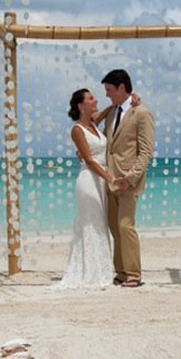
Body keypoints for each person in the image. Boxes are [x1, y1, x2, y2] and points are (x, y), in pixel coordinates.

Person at [101, 69, 155, 288]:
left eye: (110, 90)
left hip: (129, 180)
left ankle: (134, 274)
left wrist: (131, 177)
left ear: (122, 87)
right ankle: (121, 271)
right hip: (110, 178)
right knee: (114, 226)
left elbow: (145, 151)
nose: (107, 94)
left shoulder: (141, 113)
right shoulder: (112, 112)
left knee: (125, 226)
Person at [56, 88, 114, 288]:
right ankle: (91, 272)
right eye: (91, 99)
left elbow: (105, 112)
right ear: (81, 106)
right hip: (89, 180)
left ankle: (102, 269)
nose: (95, 100)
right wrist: (110, 177)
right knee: (92, 223)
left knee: (100, 223)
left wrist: (119, 104)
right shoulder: (77, 130)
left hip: (100, 180)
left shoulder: (93, 125)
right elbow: (89, 160)